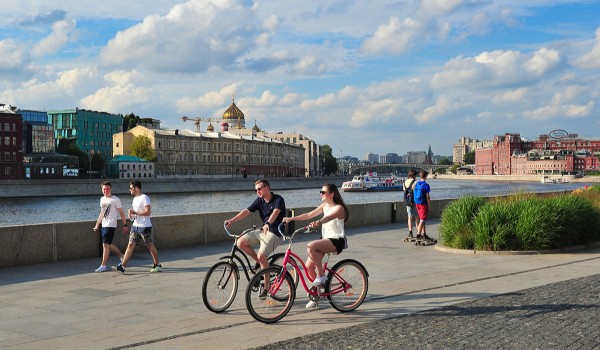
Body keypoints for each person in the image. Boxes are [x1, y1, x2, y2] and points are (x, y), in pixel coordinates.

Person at [283, 183, 349, 309]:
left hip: (336, 240)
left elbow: (328, 218)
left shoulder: (339, 208)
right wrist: (291, 219)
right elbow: (309, 215)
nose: (320, 194)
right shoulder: (325, 205)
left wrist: (318, 222)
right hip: (325, 239)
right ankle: (317, 293)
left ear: (331, 194)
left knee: (310, 246)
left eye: (323, 192)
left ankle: (321, 276)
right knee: (308, 267)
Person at [224, 179, 286, 278]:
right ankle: (259, 263)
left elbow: (276, 212)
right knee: (240, 242)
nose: (257, 192)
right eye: (256, 190)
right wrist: (231, 220)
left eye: (259, 189)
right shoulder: (259, 201)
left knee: (262, 256)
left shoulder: (278, 199)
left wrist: (268, 223)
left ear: (267, 188)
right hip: (263, 231)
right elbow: (246, 211)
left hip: (275, 233)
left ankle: (267, 287)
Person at [115, 180, 162, 274]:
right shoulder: (135, 199)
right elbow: (137, 213)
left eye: (131, 188)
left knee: (149, 245)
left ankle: (157, 265)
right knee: (130, 245)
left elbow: (148, 212)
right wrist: (131, 214)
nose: (129, 190)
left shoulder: (145, 198)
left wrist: (135, 212)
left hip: (145, 226)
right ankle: (122, 266)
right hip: (135, 225)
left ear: (136, 188)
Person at [92, 181, 126, 272]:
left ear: (111, 189)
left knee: (105, 245)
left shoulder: (115, 199)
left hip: (111, 225)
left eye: (107, 189)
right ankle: (122, 256)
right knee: (108, 244)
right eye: (104, 189)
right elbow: (102, 213)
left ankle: (103, 265)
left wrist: (125, 224)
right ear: (101, 189)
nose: (105, 191)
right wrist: (97, 224)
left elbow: (121, 212)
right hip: (104, 224)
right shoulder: (102, 199)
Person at [414, 170, 432, 240]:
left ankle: (424, 234)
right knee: (422, 219)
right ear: (426, 176)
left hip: (417, 203)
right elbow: (428, 197)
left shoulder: (417, 183)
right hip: (423, 204)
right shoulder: (426, 185)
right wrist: (429, 206)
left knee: (422, 219)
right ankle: (418, 234)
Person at [403, 169, 420, 238]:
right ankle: (418, 232)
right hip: (415, 201)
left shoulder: (404, 182)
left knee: (409, 217)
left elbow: (404, 192)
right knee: (417, 217)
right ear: (414, 175)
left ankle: (410, 233)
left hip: (408, 201)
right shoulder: (416, 182)